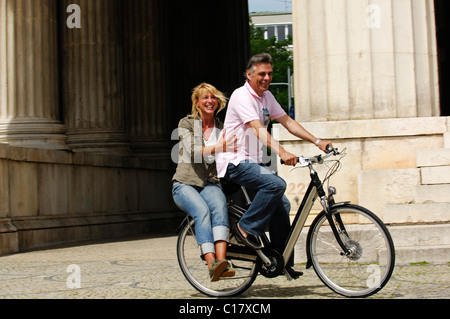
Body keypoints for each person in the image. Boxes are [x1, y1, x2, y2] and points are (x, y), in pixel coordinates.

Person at [216, 53, 332, 279]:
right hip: (234, 162)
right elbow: (258, 129)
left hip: (253, 162)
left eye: (269, 73)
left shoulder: (266, 97)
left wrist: (318, 141)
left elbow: (287, 122)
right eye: (261, 74)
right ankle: (246, 228)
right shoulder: (242, 96)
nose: (266, 78)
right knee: (276, 184)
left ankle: (279, 260)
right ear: (249, 75)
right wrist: (283, 152)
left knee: (282, 206)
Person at [172, 82, 237, 282]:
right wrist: (221, 146)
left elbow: (231, 152)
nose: (210, 101)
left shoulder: (221, 126)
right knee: (202, 211)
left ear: (217, 102)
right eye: (205, 98)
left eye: (213, 97)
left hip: (210, 182)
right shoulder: (187, 124)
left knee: (220, 207)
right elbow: (193, 151)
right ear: (197, 103)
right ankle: (212, 264)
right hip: (184, 184)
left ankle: (222, 262)